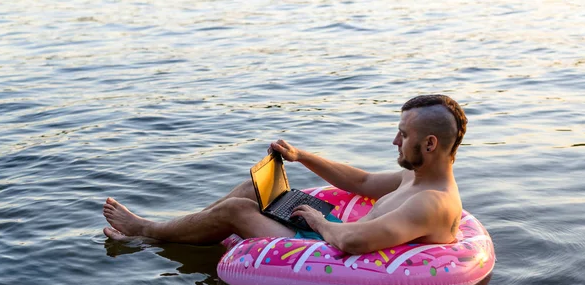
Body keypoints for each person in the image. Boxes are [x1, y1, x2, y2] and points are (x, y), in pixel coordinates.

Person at [103, 94, 468, 255]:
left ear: (430, 144)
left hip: (333, 250)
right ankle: (177, 230)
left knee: (235, 212)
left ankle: (147, 232)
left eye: (403, 135)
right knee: (252, 188)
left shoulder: (432, 203)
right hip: (331, 231)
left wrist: (315, 220)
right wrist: (298, 156)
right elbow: (360, 183)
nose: (394, 140)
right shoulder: (416, 178)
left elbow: (355, 243)